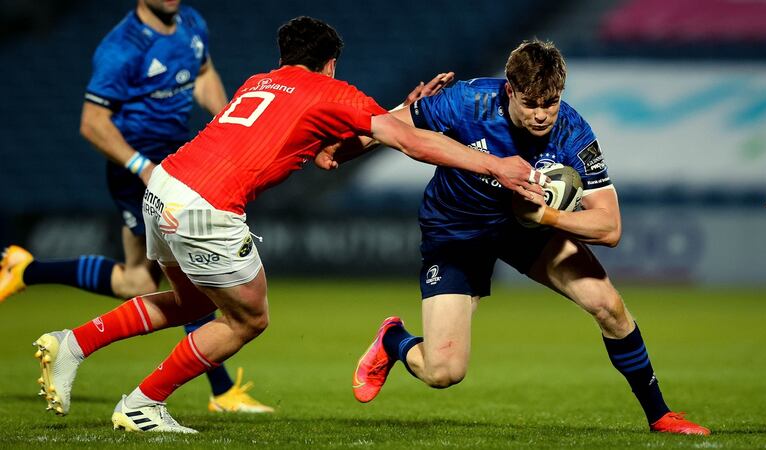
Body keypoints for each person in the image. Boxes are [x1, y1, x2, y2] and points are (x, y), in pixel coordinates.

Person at [31, 16, 538, 433]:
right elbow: (408, 143)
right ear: (332, 63)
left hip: (164, 186)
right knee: (248, 320)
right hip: (208, 209)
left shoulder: (260, 83)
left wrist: (404, 108)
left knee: (190, 301)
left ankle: (72, 344)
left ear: (283, 58)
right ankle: (143, 404)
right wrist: (496, 165)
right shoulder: (326, 89)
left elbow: (326, 154)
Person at [352, 39, 711, 436]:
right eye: (531, 104)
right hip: (457, 231)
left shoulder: (574, 133)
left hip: (525, 228)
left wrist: (545, 215)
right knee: (442, 372)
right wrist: (349, 142)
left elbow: (609, 228)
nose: (542, 115)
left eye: (551, 103)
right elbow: (379, 129)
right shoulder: (465, 102)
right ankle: (394, 340)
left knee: (608, 305)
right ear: (509, 90)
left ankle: (660, 415)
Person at [0, 0, 276, 414]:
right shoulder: (121, 47)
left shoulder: (192, 24)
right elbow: (92, 122)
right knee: (188, 282)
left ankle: (26, 269)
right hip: (139, 168)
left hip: (178, 161)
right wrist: (142, 167)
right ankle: (219, 391)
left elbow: (203, 74)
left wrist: (225, 124)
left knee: (138, 283)